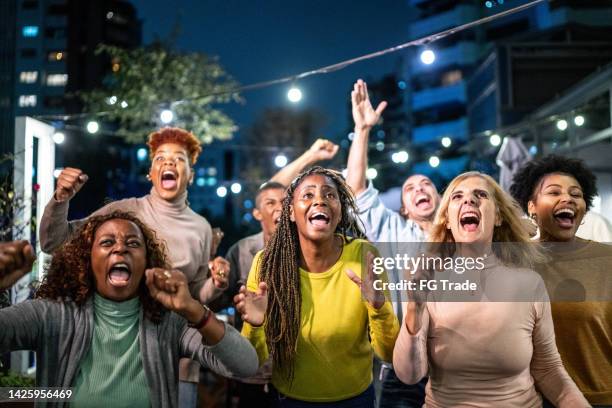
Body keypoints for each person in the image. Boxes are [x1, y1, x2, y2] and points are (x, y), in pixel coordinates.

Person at [39, 127, 230, 403]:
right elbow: (54, 242)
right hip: (109, 348)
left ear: (191, 174)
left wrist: (216, 283)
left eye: (179, 159)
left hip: (175, 358)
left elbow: (196, 294)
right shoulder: (123, 213)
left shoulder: (201, 228)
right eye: (160, 158)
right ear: (150, 173)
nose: (168, 163)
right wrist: (61, 199)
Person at [0, 211, 258, 408]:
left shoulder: (168, 321)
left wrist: (194, 311)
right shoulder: (53, 315)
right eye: (107, 242)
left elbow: (245, 365)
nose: (120, 247)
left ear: (147, 261)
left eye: (133, 243)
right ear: (87, 261)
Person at [393, 171, 588, 407]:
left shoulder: (529, 283)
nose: (469, 200)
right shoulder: (428, 282)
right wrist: (414, 308)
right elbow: (409, 375)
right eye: (457, 197)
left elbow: (549, 371)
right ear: (446, 219)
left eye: (480, 194)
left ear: (497, 217)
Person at [236, 166, 399, 406]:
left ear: (340, 212)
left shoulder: (365, 256)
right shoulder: (267, 263)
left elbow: (389, 353)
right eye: (308, 195)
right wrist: (255, 325)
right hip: (289, 400)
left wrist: (379, 307)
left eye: (330, 195)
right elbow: (250, 362)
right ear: (290, 212)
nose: (320, 200)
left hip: (355, 399)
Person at [346, 79, 436, 406]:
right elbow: (356, 191)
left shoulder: (462, 235)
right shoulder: (395, 232)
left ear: (440, 199)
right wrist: (363, 129)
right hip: (404, 365)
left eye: (427, 184)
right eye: (410, 188)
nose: (420, 188)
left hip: (458, 365)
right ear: (404, 208)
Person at [510, 155, 612, 406]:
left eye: (576, 195)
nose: (567, 198)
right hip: (533, 400)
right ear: (531, 205)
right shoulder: (514, 261)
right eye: (553, 192)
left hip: (600, 398)